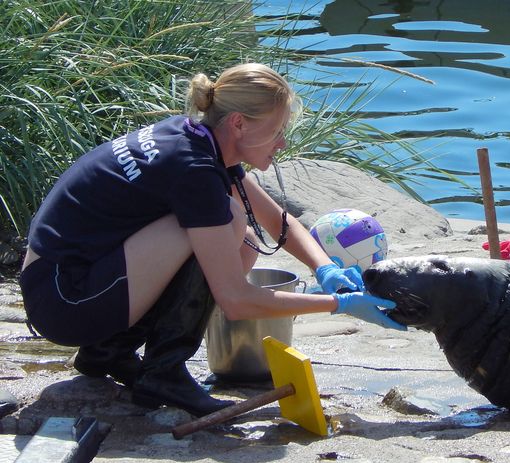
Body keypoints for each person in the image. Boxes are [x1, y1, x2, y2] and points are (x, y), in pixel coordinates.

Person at [19, 63, 405, 417]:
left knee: (243, 239)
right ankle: (164, 371)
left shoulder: (194, 137)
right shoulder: (193, 169)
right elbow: (235, 300)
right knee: (231, 223)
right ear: (239, 123)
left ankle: (109, 350)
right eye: (276, 131)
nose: (282, 144)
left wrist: (324, 268)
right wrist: (339, 304)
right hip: (66, 301)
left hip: (62, 283)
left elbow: (277, 221)